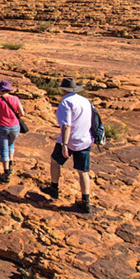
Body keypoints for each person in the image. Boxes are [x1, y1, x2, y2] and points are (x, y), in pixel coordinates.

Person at [40, 78, 94, 213]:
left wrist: (64, 144)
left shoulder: (66, 102)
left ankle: (54, 188)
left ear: (63, 90)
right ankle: (85, 202)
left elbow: (66, 125)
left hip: (70, 140)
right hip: (85, 139)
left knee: (55, 161)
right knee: (83, 171)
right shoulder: (85, 101)